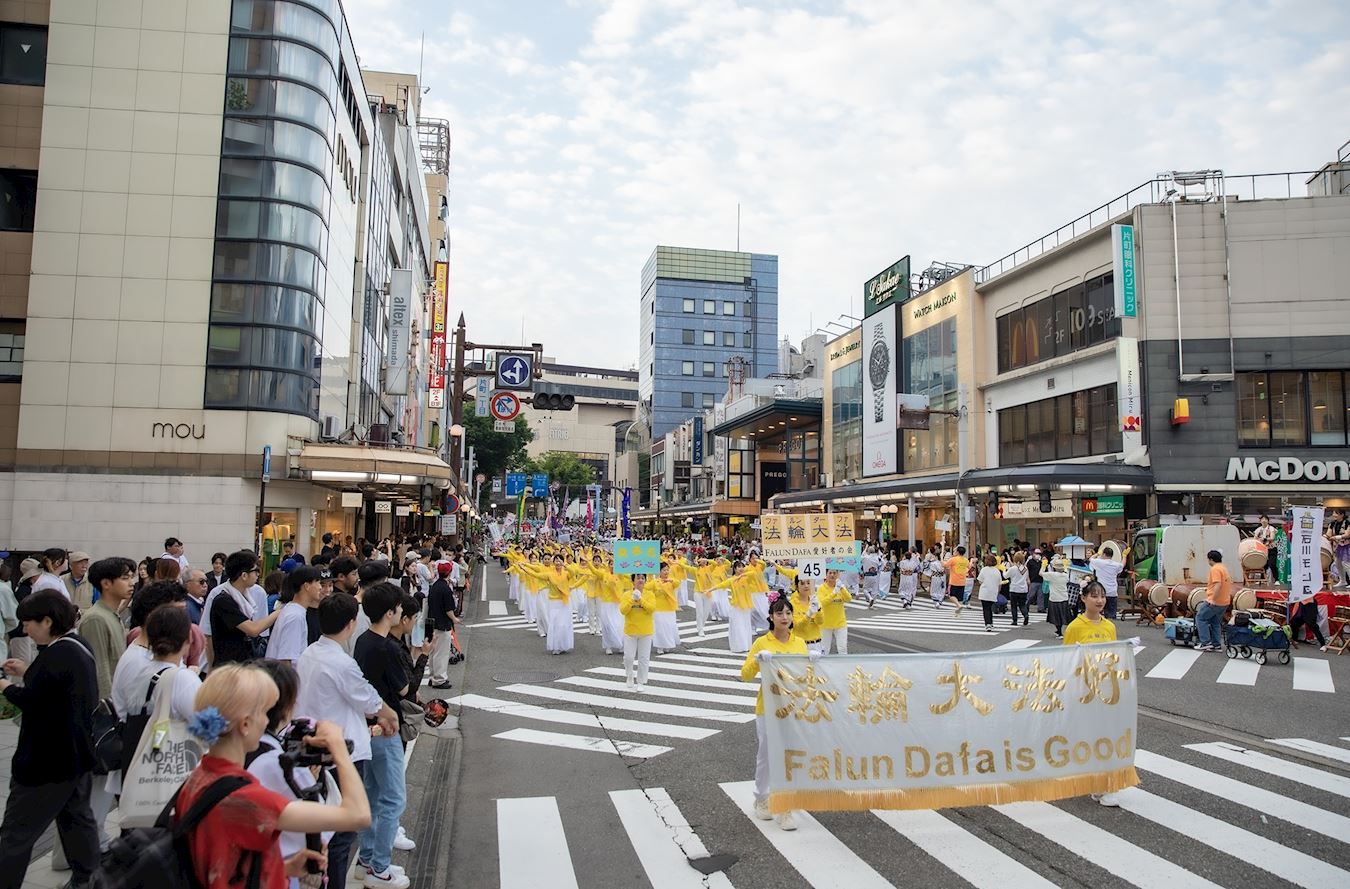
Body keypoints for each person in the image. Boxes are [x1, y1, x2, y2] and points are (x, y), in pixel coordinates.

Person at [178, 663, 371, 889]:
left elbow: (224, 861)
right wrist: (338, 747)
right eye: (263, 712)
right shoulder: (245, 797)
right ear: (245, 724)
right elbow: (358, 815)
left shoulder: (200, 775)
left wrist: (283, 868)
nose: (266, 721)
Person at [295, 593, 397, 889]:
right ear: (351, 624)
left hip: (312, 747)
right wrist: (390, 715)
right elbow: (368, 699)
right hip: (342, 753)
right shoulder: (341, 662)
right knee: (341, 833)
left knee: (323, 830)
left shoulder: (309, 653)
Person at [0, 591, 100, 888]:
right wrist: (28, 671)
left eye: (28, 623)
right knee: (76, 821)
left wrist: (5, 686)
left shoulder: (57, 655)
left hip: (46, 763)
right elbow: (57, 692)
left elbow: (36, 702)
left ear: (47, 621)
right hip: (75, 755)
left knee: (17, 834)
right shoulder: (75, 646)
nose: (24, 629)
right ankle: (87, 878)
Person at [245, 659, 338, 889]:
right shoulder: (277, 764)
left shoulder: (232, 751)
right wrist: (338, 750)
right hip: (279, 871)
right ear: (285, 708)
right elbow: (332, 823)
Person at [351, 583, 411, 888]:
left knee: (372, 795)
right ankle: (379, 868)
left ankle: (367, 860)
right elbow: (404, 689)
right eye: (398, 608)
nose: (401, 612)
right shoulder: (388, 647)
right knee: (393, 800)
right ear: (390, 613)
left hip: (366, 727)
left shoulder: (363, 640)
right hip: (386, 727)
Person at [742, 593, 811, 831]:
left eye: (788, 613)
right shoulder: (762, 643)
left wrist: (814, 662)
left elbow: (806, 676)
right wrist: (758, 661)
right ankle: (762, 798)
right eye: (779, 613)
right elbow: (745, 674)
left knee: (790, 754)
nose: (785, 617)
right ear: (771, 617)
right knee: (767, 753)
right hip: (768, 706)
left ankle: (785, 806)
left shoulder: (799, 643)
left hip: (793, 707)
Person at [209, 550, 281, 666]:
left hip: (243, 663)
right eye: (256, 571)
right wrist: (278, 612)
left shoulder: (244, 597)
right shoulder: (223, 601)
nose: (258, 574)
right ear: (244, 575)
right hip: (229, 666)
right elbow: (253, 629)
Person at [80, 556, 136, 698]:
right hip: (107, 704)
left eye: (131, 577)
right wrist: (109, 704)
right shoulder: (96, 618)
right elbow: (100, 669)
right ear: (106, 583)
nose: (131, 583)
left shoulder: (112, 614)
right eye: (125, 578)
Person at [267, 566, 323, 666]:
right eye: (317, 582)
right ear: (306, 586)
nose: (320, 587)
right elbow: (285, 659)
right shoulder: (295, 616)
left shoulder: (293, 610)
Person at [620, 574, 656, 691]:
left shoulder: (650, 594)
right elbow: (623, 610)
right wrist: (632, 599)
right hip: (630, 630)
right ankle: (629, 674)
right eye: (638, 578)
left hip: (646, 631)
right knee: (628, 657)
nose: (640, 580)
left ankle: (641, 681)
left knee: (643, 658)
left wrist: (640, 599)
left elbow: (651, 609)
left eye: (642, 578)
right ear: (633, 581)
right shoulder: (626, 595)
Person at [427, 562, 460, 689]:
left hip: (431, 622)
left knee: (432, 652)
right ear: (449, 573)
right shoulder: (445, 589)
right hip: (442, 624)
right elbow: (449, 609)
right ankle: (440, 679)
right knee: (441, 653)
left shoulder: (434, 586)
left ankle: (432, 677)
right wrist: (454, 619)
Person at [1194, 549, 1232, 653]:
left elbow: (1217, 584)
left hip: (1215, 601)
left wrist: (1212, 599)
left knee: (1200, 618)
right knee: (1216, 622)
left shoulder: (1215, 569)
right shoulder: (1224, 568)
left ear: (1211, 559)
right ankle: (1216, 645)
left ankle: (1206, 643)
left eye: (1208, 559)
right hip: (1224, 601)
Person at [816, 569, 852, 654]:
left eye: (834, 573)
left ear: (838, 575)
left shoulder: (840, 587)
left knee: (842, 648)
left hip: (840, 623)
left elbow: (848, 599)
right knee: (824, 650)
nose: (832, 575)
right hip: (825, 624)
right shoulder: (821, 588)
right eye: (830, 573)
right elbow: (822, 603)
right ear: (826, 575)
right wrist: (834, 593)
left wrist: (842, 588)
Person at [1088, 544, 1124, 620]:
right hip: (1113, 592)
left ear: (1104, 554)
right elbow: (1122, 565)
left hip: (1102, 592)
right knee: (1112, 615)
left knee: (1100, 614)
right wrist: (1124, 556)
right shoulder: (1116, 565)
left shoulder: (1099, 562)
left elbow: (1091, 559)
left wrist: (1097, 554)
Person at [1043, 555, 1071, 638]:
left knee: (1056, 617)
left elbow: (1040, 573)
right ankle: (1059, 631)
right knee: (1063, 615)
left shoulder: (1052, 575)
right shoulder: (1066, 575)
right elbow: (1066, 571)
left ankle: (1059, 632)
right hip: (1064, 597)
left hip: (1054, 598)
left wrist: (1043, 565)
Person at [975, 555, 1004, 632]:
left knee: (986, 608)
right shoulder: (997, 571)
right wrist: (998, 591)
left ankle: (988, 624)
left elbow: (980, 581)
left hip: (985, 592)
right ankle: (990, 623)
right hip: (993, 592)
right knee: (990, 608)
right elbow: (999, 583)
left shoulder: (984, 570)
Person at [1006, 551, 1031, 627]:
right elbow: (1026, 578)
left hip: (1014, 589)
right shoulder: (1025, 568)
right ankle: (1025, 614)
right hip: (1023, 589)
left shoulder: (1013, 568)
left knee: (1013, 606)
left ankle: (1015, 620)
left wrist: (1004, 570)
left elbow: (1006, 576)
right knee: (1022, 605)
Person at [943, 546, 969, 613]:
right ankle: (958, 611)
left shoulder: (953, 559)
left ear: (957, 552)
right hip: (962, 581)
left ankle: (958, 606)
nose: (954, 552)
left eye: (955, 551)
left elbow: (945, 565)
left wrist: (941, 560)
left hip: (954, 581)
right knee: (959, 598)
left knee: (951, 596)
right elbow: (968, 567)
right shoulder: (966, 560)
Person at [1254, 515, 1278, 582]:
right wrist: (1258, 540)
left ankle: (1277, 579)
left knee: (1272, 564)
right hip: (1262, 549)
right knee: (1263, 565)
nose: (1264, 521)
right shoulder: (1258, 529)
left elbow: (1272, 538)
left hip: (1271, 549)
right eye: (1262, 519)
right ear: (1260, 521)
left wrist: (1264, 539)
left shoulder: (1271, 528)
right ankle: (1262, 580)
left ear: (1268, 521)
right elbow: (1255, 538)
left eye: (1265, 519)